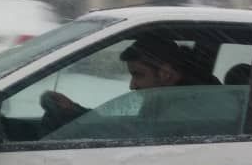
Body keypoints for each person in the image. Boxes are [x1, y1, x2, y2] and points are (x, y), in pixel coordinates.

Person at [41, 34, 214, 126]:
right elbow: (131, 128)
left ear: (165, 74)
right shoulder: (166, 100)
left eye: (138, 75)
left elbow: (133, 135)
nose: (132, 86)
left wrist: (76, 116)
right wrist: (74, 110)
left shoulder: (187, 109)